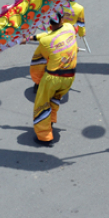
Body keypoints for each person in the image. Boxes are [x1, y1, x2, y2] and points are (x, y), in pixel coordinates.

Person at [30, 11, 78, 147]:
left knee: (41, 104)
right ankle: (50, 120)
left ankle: (45, 136)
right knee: (55, 99)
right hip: (69, 77)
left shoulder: (45, 41)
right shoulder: (70, 28)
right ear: (62, 19)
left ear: (48, 24)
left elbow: (41, 59)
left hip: (53, 78)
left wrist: (37, 79)